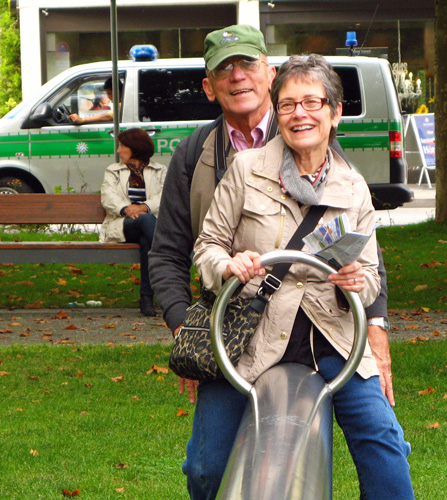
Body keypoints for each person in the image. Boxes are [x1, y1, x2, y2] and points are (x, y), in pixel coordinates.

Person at [191, 54, 414, 500]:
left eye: (312, 103)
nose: (300, 114)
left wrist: (356, 281)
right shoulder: (247, 168)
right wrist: (228, 266)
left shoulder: (353, 188)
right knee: (203, 467)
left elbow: (370, 277)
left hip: (331, 333)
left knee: (387, 456)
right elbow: (207, 247)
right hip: (252, 332)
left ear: (335, 113)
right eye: (289, 104)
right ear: (278, 112)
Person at [149, 24, 397, 409]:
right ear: (209, 87)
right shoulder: (193, 154)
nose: (237, 76)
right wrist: (188, 331)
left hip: (317, 325)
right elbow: (169, 251)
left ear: (270, 74)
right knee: (206, 465)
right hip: (236, 324)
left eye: (248, 63)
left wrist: (376, 327)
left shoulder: (313, 139)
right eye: (223, 69)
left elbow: (358, 247)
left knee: (376, 436)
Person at [100, 128, 166, 316]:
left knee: (147, 241)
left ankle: (146, 298)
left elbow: (165, 196)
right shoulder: (113, 171)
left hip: (148, 226)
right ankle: (166, 259)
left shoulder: (160, 170)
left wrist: (144, 207)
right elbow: (108, 196)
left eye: (122, 146)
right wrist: (127, 209)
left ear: (135, 148)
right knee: (146, 222)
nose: (118, 150)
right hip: (123, 224)